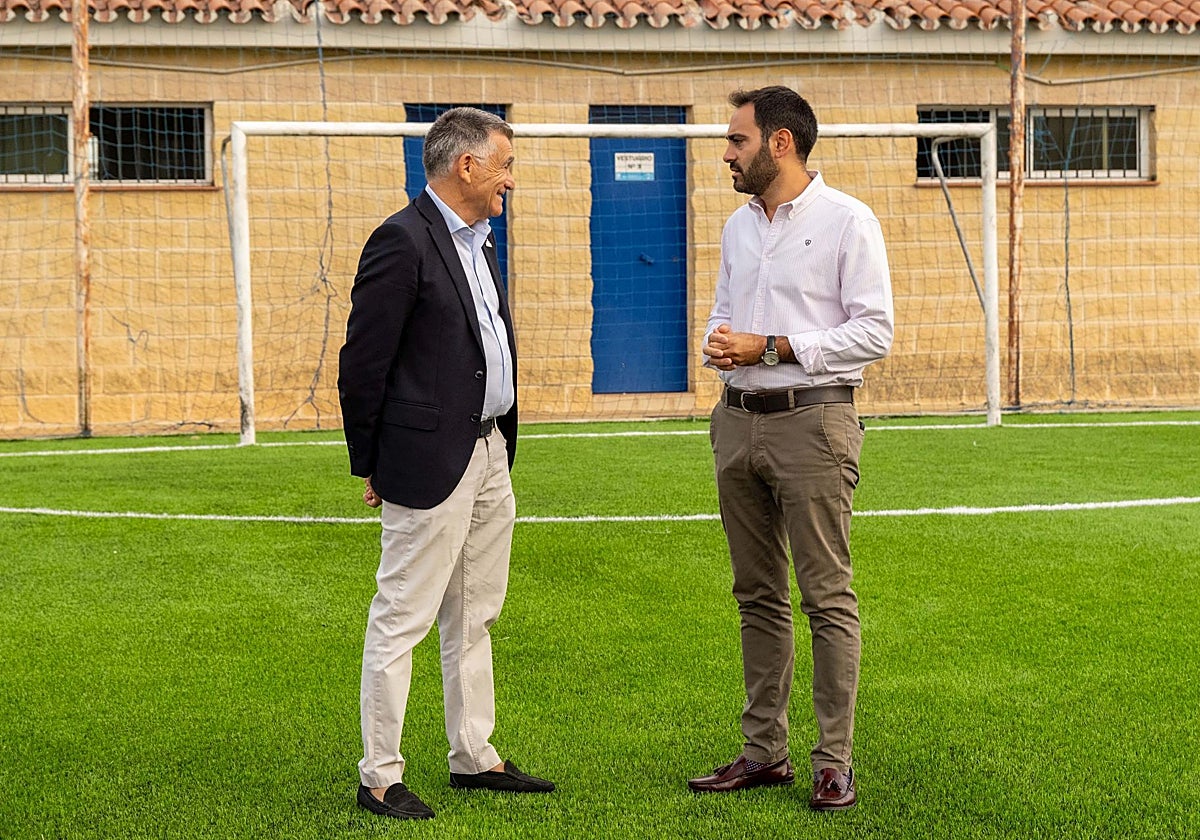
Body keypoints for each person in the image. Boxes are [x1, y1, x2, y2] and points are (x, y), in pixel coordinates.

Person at [337, 107, 554, 822]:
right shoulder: (400, 242)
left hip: (491, 451)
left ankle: (474, 755)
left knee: (476, 613)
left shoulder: (478, 241)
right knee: (403, 616)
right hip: (428, 459)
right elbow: (363, 364)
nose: (510, 182)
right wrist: (370, 460)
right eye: (505, 166)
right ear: (466, 166)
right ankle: (380, 776)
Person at [688, 86, 894, 811]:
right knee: (756, 595)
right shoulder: (737, 227)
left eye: (736, 141)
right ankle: (762, 753)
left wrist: (771, 347)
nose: (725, 153)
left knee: (826, 596)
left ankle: (833, 761)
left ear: (780, 143)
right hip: (737, 421)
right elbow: (724, 306)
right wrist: (720, 340)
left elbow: (874, 332)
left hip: (815, 423)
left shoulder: (848, 222)